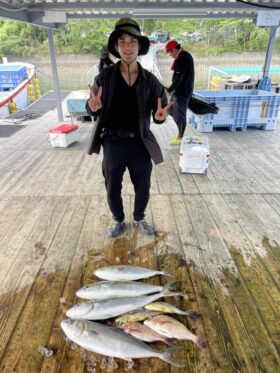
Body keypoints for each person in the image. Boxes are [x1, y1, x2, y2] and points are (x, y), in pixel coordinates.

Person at [86, 18, 172, 238]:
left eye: (132, 42)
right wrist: (92, 107)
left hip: (140, 142)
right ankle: (118, 219)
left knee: (143, 184)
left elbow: (159, 110)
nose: (127, 47)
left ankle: (139, 217)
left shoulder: (151, 80)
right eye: (122, 42)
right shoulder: (104, 77)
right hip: (113, 142)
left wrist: (160, 117)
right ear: (116, 47)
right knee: (112, 186)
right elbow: (93, 105)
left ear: (139, 46)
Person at [165, 40, 194, 145]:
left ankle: (180, 138)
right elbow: (178, 77)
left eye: (169, 52)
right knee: (171, 110)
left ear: (173, 50)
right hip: (178, 91)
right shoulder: (182, 56)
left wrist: (168, 91)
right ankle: (180, 133)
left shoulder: (183, 58)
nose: (169, 55)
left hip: (182, 92)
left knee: (180, 115)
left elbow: (179, 78)